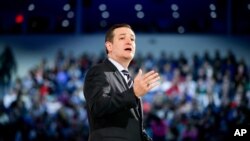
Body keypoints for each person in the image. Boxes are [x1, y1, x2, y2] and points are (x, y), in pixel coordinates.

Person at [84, 23, 160, 141]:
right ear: (109, 46)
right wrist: (133, 93)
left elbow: (133, 128)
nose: (129, 41)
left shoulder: (128, 78)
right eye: (122, 38)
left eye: (132, 39)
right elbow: (98, 106)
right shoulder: (99, 71)